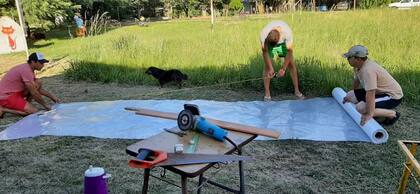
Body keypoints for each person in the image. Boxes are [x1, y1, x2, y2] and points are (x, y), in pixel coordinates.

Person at [342, 45, 403, 126]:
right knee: (349, 95)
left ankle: (393, 114)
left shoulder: (368, 71)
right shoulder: (358, 66)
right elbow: (357, 81)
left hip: (392, 97)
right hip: (379, 92)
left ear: (358, 59)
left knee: (361, 108)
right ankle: (375, 111)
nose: (347, 59)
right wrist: (352, 93)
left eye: (349, 57)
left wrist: (369, 114)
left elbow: (370, 94)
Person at [0, 52, 60, 117]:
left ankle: (25, 105)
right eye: (41, 63)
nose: (43, 65)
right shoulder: (26, 71)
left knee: (37, 82)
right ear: (33, 62)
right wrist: (45, 105)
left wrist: (52, 97)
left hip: (14, 92)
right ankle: (3, 109)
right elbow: (34, 92)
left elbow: (37, 89)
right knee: (34, 112)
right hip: (6, 96)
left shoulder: (28, 68)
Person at [260, 21, 304, 101]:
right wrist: (270, 68)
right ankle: (267, 93)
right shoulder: (264, 34)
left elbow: (289, 52)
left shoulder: (287, 33)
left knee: (291, 64)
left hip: (282, 44)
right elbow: (265, 52)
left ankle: (297, 90)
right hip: (269, 43)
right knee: (267, 67)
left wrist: (283, 69)